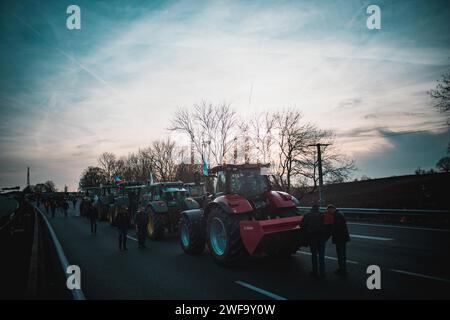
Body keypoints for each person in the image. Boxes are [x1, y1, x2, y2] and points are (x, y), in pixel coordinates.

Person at [302, 203, 327, 278]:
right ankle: (322, 272)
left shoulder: (308, 215)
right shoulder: (322, 215)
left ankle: (314, 272)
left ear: (312, 208)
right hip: (322, 238)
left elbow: (302, 225)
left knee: (314, 255)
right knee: (321, 255)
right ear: (318, 208)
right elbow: (326, 225)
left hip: (312, 238)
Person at [328, 204, 350, 276]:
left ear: (332, 209)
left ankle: (342, 269)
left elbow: (337, 228)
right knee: (342, 254)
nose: (329, 213)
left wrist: (331, 232)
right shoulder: (340, 213)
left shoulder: (337, 215)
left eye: (329, 211)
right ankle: (343, 268)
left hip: (340, 238)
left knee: (340, 254)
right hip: (343, 238)